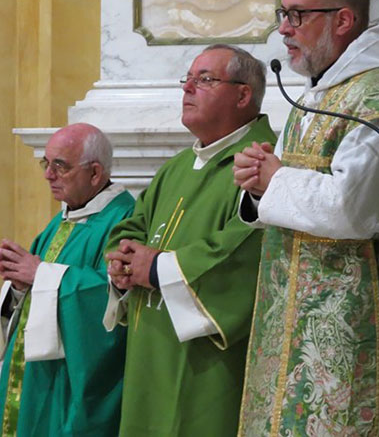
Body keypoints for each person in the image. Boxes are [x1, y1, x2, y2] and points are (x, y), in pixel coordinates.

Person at [232, 0, 379, 436]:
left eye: (296, 15)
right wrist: (256, 183)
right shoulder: (320, 90)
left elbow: (354, 208)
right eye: (282, 14)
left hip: (355, 308)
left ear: (343, 20)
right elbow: (286, 185)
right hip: (294, 302)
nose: (283, 29)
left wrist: (274, 180)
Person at [103, 45, 275, 436]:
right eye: (188, 79)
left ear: (243, 94)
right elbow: (132, 226)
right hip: (152, 348)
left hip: (210, 361)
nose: (188, 88)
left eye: (205, 79)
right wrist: (123, 263)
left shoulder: (262, 163)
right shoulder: (177, 167)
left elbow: (250, 248)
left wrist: (159, 269)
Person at [0, 123, 134, 437]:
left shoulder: (124, 220)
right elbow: (35, 282)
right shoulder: (63, 220)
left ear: (95, 173)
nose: (47, 175)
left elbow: (112, 298)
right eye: (46, 163)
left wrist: (40, 274)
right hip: (37, 377)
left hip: (73, 378)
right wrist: (18, 282)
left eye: (60, 166)